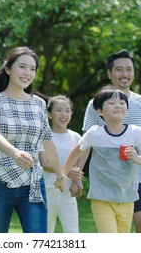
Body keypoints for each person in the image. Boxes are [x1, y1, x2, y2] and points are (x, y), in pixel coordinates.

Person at [70, 49, 141, 233]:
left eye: (129, 69)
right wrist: (77, 175)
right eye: (119, 69)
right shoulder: (96, 104)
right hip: (109, 180)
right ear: (109, 73)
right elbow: (85, 145)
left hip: (138, 177)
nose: (125, 74)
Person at [0, 46, 66, 233]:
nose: (28, 73)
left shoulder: (39, 104)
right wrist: (15, 152)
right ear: (8, 69)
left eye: (32, 69)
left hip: (32, 185)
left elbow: (48, 141)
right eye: (22, 67)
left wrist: (60, 175)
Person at [63, 86, 141, 233]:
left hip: (127, 198)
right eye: (112, 103)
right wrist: (65, 172)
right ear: (99, 111)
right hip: (101, 198)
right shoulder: (95, 133)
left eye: (122, 103)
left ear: (127, 110)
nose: (118, 105)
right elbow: (76, 152)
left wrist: (136, 157)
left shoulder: (135, 133)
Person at [38, 95, 84, 233]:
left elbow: (76, 166)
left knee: (73, 234)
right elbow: (45, 163)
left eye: (67, 110)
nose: (64, 114)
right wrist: (66, 172)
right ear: (49, 114)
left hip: (67, 193)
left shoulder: (76, 137)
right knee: (45, 233)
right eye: (59, 110)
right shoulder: (44, 135)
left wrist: (77, 181)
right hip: (47, 191)